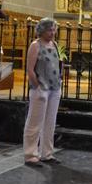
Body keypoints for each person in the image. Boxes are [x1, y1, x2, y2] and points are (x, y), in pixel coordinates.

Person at [23, 18, 62, 168]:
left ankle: (47, 153)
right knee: (35, 121)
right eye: (49, 30)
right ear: (41, 30)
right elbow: (30, 69)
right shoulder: (35, 45)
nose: (52, 33)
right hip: (41, 88)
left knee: (50, 122)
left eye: (54, 30)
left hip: (54, 88)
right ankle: (30, 154)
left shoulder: (55, 44)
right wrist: (37, 86)